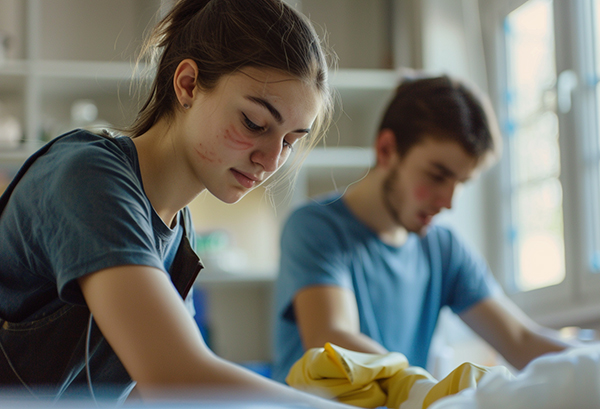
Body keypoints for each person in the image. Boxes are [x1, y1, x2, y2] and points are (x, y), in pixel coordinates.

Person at [0, 1, 353, 407]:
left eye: (290, 141)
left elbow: (145, 393)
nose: (271, 161)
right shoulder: (89, 177)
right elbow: (178, 377)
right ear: (187, 84)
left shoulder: (176, 228)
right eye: (254, 123)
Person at [272, 74, 576, 383]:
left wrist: (588, 361)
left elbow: (522, 340)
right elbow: (333, 340)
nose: (448, 202)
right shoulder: (315, 227)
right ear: (387, 149)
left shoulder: (443, 249)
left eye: (461, 183)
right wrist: (432, 392)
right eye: (437, 175)